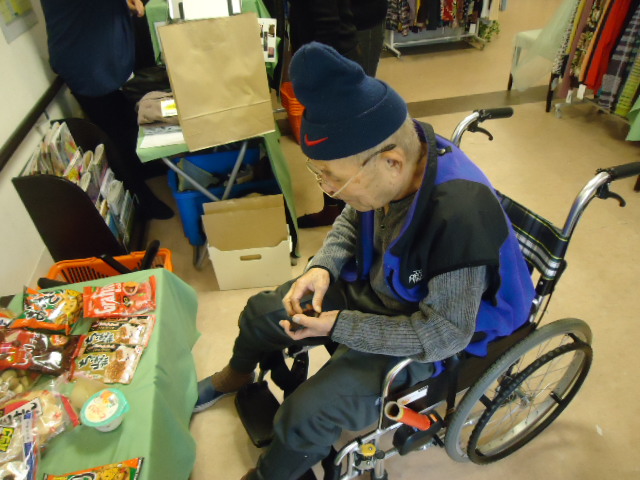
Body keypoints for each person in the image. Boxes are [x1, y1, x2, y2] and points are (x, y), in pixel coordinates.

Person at [194, 42, 536, 480]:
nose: (328, 189)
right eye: (320, 174)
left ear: (391, 162)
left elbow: (445, 334)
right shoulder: (396, 155)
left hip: (435, 328)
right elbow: (356, 214)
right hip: (385, 287)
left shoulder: (458, 218)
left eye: (334, 178)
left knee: (307, 413)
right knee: (263, 313)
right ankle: (236, 376)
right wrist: (323, 266)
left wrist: (339, 325)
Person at [39, 0, 173, 220]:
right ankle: (141, 199)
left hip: (104, 56)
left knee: (128, 122)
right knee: (114, 135)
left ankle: (143, 168)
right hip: (86, 62)